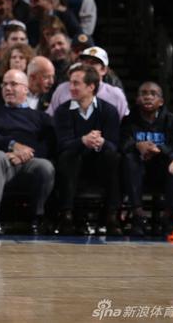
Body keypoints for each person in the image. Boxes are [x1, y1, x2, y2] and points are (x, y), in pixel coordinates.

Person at [0, 69, 56, 235]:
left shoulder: (41, 117)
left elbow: (48, 145)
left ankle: (37, 218)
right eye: (5, 84)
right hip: (4, 160)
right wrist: (12, 146)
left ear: (26, 89)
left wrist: (24, 154)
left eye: (13, 84)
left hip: (31, 161)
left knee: (46, 166)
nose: (8, 88)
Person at [53, 65, 122, 235]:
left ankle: (111, 216)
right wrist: (83, 141)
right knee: (69, 156)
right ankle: (66, 215)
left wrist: (102, 142)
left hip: (99, 164)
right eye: (71, 83)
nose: (71, 87)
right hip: (73, 163)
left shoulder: (108, 111)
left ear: (91, 86)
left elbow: (115, 144)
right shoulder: (63, 111)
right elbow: (61, 144)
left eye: (76, 83)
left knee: (112, 156)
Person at [121, 82, 173, 236]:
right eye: (144, 93)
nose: (148, 97)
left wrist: (159, 149)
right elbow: (122, 144)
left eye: (153, 94)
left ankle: (168, 216)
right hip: (137, 171)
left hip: (163, 172)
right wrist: (137, 145)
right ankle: (138, 215)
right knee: (129, 158)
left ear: (161, 101)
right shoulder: (128, 120)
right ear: (137, 100)